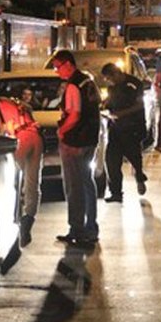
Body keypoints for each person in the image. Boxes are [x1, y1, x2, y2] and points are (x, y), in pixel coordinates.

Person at [53, 50, 101, 246]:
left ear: (68, 64)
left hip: (75, 141)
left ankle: (77, 229)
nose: (57, 72)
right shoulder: (87, 81)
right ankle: (90, 227)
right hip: (90, 139)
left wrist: (61, 132)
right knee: (87, 182)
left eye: (58, 67)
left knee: (74, 187)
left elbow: (74, 115)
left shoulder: (73, 85)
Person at [0, 97, 44, 247]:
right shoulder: (19, 104)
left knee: (14, 180)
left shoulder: (0, 105)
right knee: (33, 182)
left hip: (21, 137)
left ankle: (15, 217)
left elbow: (9, 128)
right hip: (36, 137)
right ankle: (28, 219)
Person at [101, 63, 148, 203]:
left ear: (116, 73)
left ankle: (139, 176)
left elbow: (140, 105)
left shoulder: (134, 84)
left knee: (134, 157)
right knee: (112, 161)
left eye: (110, 78)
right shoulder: (112, 88)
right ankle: (116, 193)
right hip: (115, 129)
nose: (109, 81)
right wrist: (104, 105)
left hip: (132, 128)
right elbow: (110, 103)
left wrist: (121, 114)